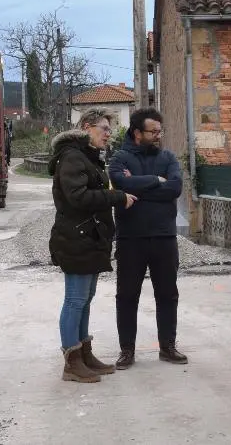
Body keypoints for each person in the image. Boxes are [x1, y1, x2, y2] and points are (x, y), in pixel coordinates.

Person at [48, 108, 138, 383]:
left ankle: (85, 356)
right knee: (75, 300)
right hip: (76, 238)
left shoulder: (86, 156)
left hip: (90, 238)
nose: (109, 135)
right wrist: (116, 197)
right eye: (104, 129)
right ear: (87, 127)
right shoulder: (72, 157)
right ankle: (71, 363)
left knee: (85, 300)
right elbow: (78, 197)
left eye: (110, 130)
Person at [108, 108, 187, 369]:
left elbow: (175, 188)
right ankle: (127, 350)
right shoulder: (120, 157)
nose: (158, 136)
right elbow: (119, 184)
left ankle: (168, 347)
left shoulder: (168, 156)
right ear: (137, 133)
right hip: (131, 239)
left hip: (164, 237)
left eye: (159, 131)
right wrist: (156, 180)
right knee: (127, 296)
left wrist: (138, 186)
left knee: (167, 295)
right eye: (153, 131)